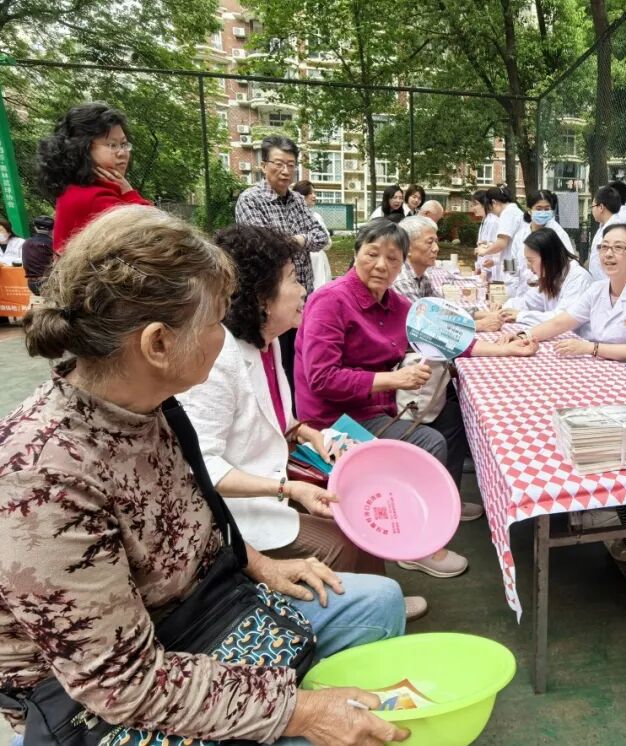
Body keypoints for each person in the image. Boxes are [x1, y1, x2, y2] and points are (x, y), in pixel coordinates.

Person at [0, 206, 409, 746]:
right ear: (158, 344)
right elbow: (124, 686)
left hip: (205, 614)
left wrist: (258, 565)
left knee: (379, 601)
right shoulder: (42, 479)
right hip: (108, 703)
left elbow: (193, 520)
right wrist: (302, 712)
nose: (225, 335)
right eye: (215, 320)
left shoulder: (151, 405)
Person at [176, 224, 429, 621]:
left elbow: (280, 419)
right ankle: (353, 614)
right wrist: (287, 488)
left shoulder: (268, 342)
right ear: (262, 298)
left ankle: (376, 599)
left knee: (358, 502)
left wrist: (313, 435)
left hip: (281, 470)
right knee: (341, 538)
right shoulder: (220, 360)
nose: (304, 291)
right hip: (238, 510)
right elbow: (202, 465)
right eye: (294, 280)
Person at [294, 219, 535, 577]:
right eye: (372, 254)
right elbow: (321, 378)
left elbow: (446, 339)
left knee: (453, 417)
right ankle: (418, 543)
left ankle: (441, 504)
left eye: (392, 258)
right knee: (428, 441)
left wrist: (506, 349)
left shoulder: (396, 304)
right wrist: (392, 379)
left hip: (378, 406)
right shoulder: (331, 301)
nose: (381, 265)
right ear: (356, 253)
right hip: (334, 421)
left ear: (401, 264)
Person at [504, 222, 626, 395]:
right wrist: (525, 335)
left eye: (618, 248)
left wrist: (590, 348)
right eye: (604, 247)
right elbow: (561, 322)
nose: (608, 254)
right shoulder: (597, 290)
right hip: (608, 372)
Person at [235, 136, 330, 393]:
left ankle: (296, 412)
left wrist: (295, 240)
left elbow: (322, 237)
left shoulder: (297, 200)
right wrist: (300, 240)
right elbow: (265, 248)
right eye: (278, 163)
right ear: (263, 165)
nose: (286, 171)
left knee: (299, 363)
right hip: (271, 302)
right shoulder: (250, 200)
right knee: (274, 367)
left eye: (291, 164)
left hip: (301, 299)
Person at [37, 102, 151, 254]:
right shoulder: (93, 198)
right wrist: (129, 192)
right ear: (82, 150)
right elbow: (156, 234)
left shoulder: (80, 190)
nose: (122, 153)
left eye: (124, 144)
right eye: (112, 145)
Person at [499, 227, 593, 328]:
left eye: (530, 260)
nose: (528, 266)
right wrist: (503, 308)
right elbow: (528, 301)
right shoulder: (552, 274)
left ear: (548, 257)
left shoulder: (578, 278)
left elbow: (561, 319)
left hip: (577, 336)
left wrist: (521, 316)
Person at [475, 186, 523, 284]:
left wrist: (484, 251)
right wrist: (494, 256)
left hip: (515, 263)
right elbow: (508, 244)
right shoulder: (513, 211)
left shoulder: (508, 213)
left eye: (490, 209)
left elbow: (501, 243)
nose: (492, 214)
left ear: (494, 203)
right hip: (512, 262)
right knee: (510, 283)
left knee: (512, 284)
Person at [293, 180, 334, 289]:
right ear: (301, 195)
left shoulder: (315, 216)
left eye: (314, 193)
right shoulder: (314, 217)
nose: (314, 196)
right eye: (310, 193)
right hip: (314, 261)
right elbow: (327, 242)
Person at [587, 184, 626, 282]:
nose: (591, 210)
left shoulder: (615, 229)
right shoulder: (604, 226)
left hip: (610, 283)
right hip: (600, 283)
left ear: (601, 207)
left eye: (592, 206)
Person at [20, 216, 55, 295]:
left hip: (31, 284)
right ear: (52, 229)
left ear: (35, 228)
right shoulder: (52, 243)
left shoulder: (26, 242)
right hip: (47, 283)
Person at [471, 189, 500, 276]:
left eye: (476, 204)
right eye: (472, 205)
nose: (473, 208)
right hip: (486, 269)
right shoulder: (486, 220)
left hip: (492, 270)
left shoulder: (493, 221)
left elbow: (491, 247)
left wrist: (485, 271)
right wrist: (478, 266)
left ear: (485, 203)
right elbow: (482, 247)